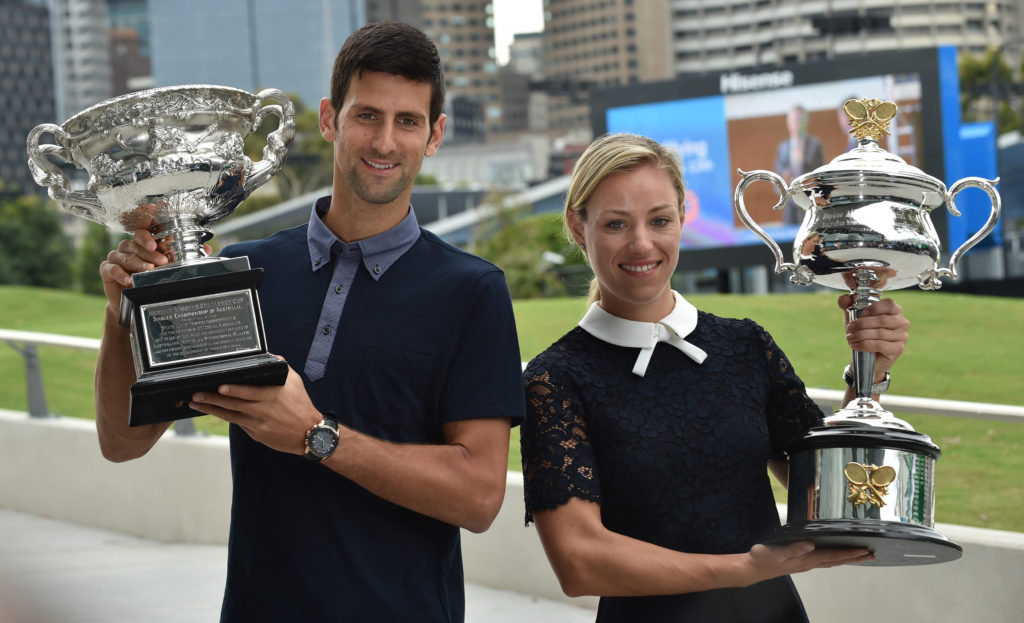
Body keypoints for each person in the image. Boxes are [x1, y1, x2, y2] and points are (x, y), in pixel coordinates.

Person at [95, 22, 525, 622]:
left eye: (408, 121)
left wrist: (317, 435)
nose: (384, 141)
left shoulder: (472, 291)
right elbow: (122, 442)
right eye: (367, 115)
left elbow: (479, 496)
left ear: (435, 136)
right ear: (329, 119)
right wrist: (124, 311)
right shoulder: (246, 270)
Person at [519, 133, 910, 622]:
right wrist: (741, 569)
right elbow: (579, 562)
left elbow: (826, 495)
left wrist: (869, 372)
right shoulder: (555, 380)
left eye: (659, 220)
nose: (642, 244)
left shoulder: (745, 346)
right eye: (616, 224)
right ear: (579, 229)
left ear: (684, 215)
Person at [773, 104, 825, 225]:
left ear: (806, 122)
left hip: (811, 204)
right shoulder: (783, 148)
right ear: (788, 123)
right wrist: (782, 182)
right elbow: (776, 183)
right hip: (790, 208)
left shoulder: (815, 145)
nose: (797, 124)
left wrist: (803, 163)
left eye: (800, 120)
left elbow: (821, 176)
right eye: (794, 120)